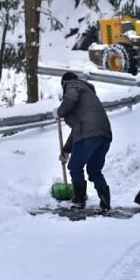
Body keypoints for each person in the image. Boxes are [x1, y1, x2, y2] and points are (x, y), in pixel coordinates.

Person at [53, 72, 112, 210]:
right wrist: (66, 150)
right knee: (95, 170)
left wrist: (59, 112)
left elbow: (71, 98)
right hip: (105, 135)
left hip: (88, 135)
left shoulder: (72, 85)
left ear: (64, 83)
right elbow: (78, 129)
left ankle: (79, 200)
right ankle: (105, 202)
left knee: (74, 167)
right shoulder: (88, 94)